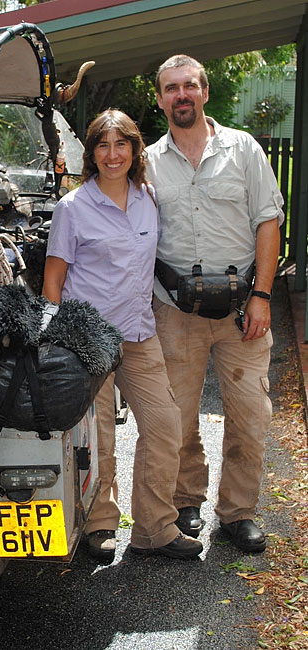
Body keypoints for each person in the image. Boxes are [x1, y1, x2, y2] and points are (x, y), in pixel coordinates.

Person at [42, 109, 203, 562]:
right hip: (88, 340)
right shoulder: (73, 208)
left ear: (134, 150)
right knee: (101, 437)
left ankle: (154, 527)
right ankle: (99, 524)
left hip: (138, 333)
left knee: (165, 426)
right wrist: (53, 341)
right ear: (92, 153)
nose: (113, 155)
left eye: (121, 145)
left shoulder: (147, 197)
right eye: (103, 146)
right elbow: (53, 282)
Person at [146, 55, 284, 553]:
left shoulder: (243, 149)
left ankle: (238, 512)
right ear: (159, 99)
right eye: (170, 88)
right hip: (174, 311)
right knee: (178, 417)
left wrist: (263, 296)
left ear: (203, 92)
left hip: (243, 312)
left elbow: (268, 222)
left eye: (189, 86)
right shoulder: (148, 161)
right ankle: (187, 500)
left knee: (250, 417)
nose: (180, 95)